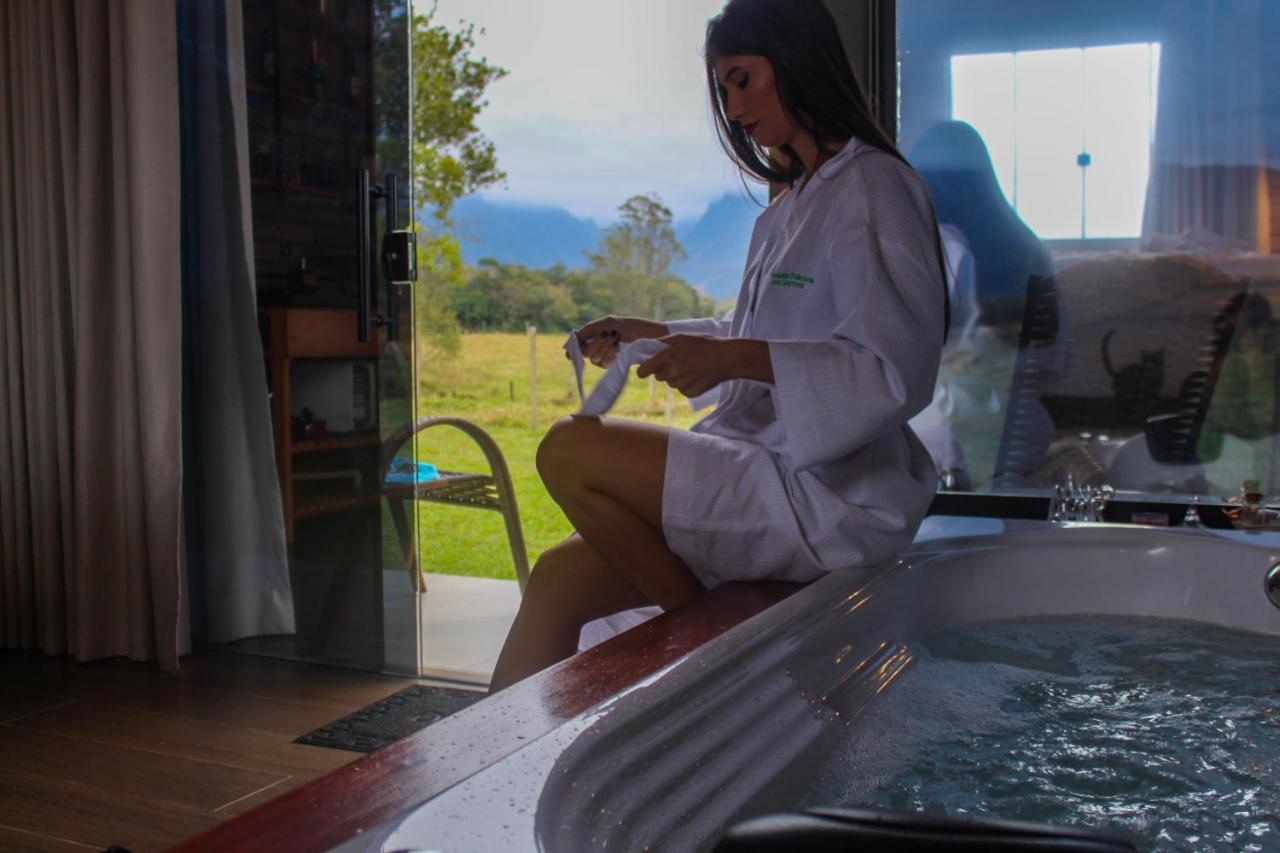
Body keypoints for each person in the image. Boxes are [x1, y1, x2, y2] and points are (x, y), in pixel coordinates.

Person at [489, 0, 948, 691]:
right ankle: (485, 792)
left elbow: (891, 371)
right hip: (763, 466)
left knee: (568, 450)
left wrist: (729, 358)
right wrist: (651, 336)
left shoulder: (874, 186)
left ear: (795, 62)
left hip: (831, 498)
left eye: (742, 80)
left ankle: (712, 633)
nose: (734, 109)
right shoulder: (789, 206)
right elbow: (755, 336)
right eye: (723, 89)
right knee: (557, 577)